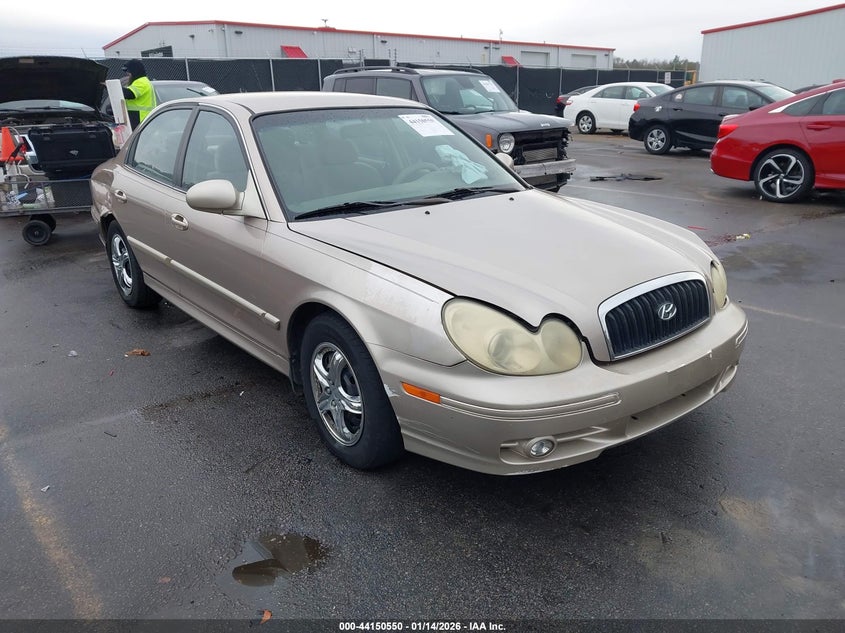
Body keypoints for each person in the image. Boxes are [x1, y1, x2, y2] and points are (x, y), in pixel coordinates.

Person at [121, 59, 157, 128]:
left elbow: (130, 94)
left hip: (141, 119)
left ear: (134, 71)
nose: (127, 74)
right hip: (139, 119)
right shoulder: (137, 82)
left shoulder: (142, 82)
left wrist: (112, 86)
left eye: (129, 72)